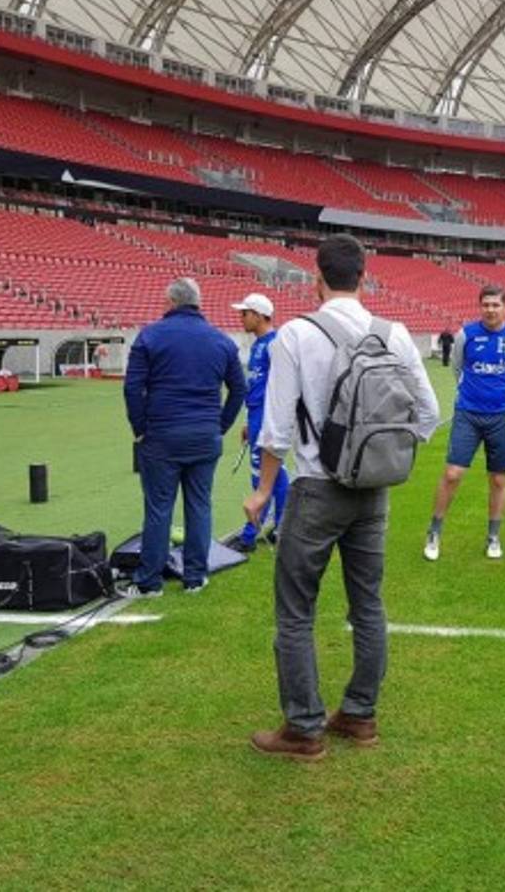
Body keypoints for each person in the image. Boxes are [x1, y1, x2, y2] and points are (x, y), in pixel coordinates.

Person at [245, 234, 439, 762]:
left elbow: (276, 430)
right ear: (364, 276)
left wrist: (262, 491)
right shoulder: (395, 334)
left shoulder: (295, 335)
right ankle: (359, 714)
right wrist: (382, 454)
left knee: (295, 611)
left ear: (317, 277)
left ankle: (303, 728)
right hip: (373, 491)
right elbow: (428, 414)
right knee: (368, 604)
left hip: (315, 487)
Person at [123, 278, 245, 596]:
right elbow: (239, 388)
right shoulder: (221, 340)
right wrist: (220, 425)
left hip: (162, 434)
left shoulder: (150, 336)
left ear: (171, 302)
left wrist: (140, 428)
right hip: (204, 435)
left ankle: (150, 581)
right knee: (199, 505)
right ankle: (195, 576)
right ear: (197, 302)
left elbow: (132, 387)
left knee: (159, 508)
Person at [423, 284, 505, 561]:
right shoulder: (466, 335)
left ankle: (493, 537)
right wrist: (471, 392)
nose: (490, 310)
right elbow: (457, 367)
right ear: (480, 306)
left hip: (502, 416)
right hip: (468, 413)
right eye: (486, 305)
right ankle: (434, 531)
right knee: (452, 474)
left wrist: (503, 395)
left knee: (499, 478)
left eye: (496, 305)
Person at [229, 292, 289, 553]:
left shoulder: (275, 344)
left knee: (261, 474)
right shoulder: (258, 345)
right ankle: (283, 527)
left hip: (266, 417)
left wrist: (270, 419)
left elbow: (282, 386)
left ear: (258, 315)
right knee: (276, 472)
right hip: (256, 415)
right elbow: (255, 385)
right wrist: (247, 420)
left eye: (244, 313)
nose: (240, 317)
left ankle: (250, 535)